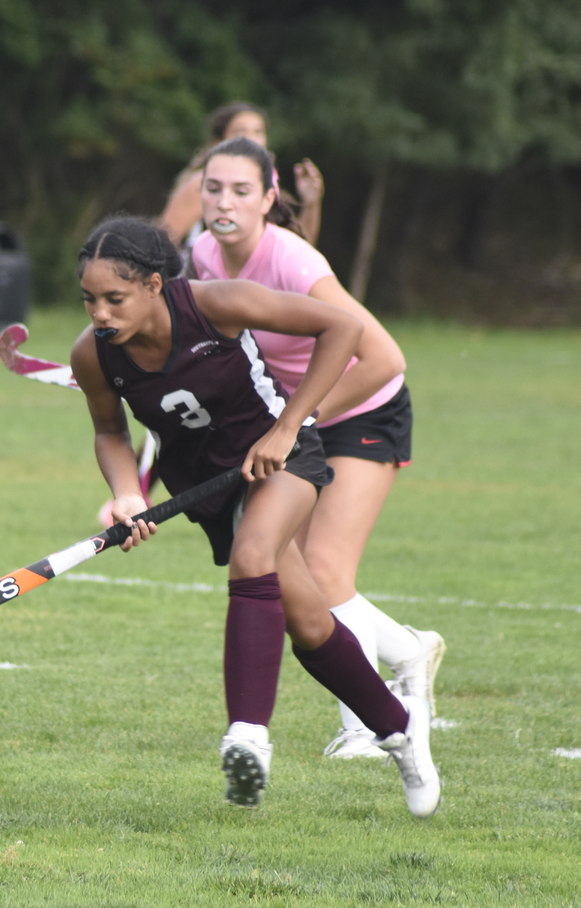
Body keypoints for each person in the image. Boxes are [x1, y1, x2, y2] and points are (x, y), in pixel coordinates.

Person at [69, 216, 439, 816]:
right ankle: (400, 729)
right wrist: (126, 493)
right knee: (311, 625)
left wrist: (290, 425)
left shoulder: (218, 304)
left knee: (252, 556)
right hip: (208, 487)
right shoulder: (94, 356)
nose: (100, 314)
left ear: (155, 285)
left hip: (281, 456)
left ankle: (248, 737)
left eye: (114, 299)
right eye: (89, 300)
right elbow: (110, 430)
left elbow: (342, 327)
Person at [190, 136, 444, 760]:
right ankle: (411, 651)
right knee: (291, 574)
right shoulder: (202, 253)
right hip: (292, 415)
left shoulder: (294, 261)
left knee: (327, 570)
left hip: (363, 408)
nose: (225, 201)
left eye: (242, 191)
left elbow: (385, 358)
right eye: (214, 188)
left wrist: (294, 422)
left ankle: (365, 729)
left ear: (269, 199)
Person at [160, 102, 324, 249]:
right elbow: (161, 245)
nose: (251, 139)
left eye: (258, 132)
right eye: (240, 131)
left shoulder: (267, 186)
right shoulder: (205, 184)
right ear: (219, 142)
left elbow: (300, 251)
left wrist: (311, 204)